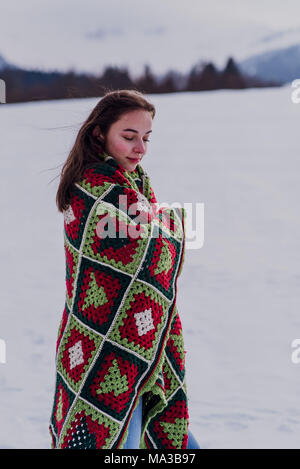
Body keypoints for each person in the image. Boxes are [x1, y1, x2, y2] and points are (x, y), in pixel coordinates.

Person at [49, 89, 200, 450]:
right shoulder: (92, 187)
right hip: (101, 345)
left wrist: (159, 224)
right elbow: (143, 246)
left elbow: (151, 238)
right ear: (100, 133)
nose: (140, 148)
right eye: (129, 137)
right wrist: (169, 223)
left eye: (146, 138)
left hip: (140, 345)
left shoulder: (135, 186)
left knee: (173, 442)